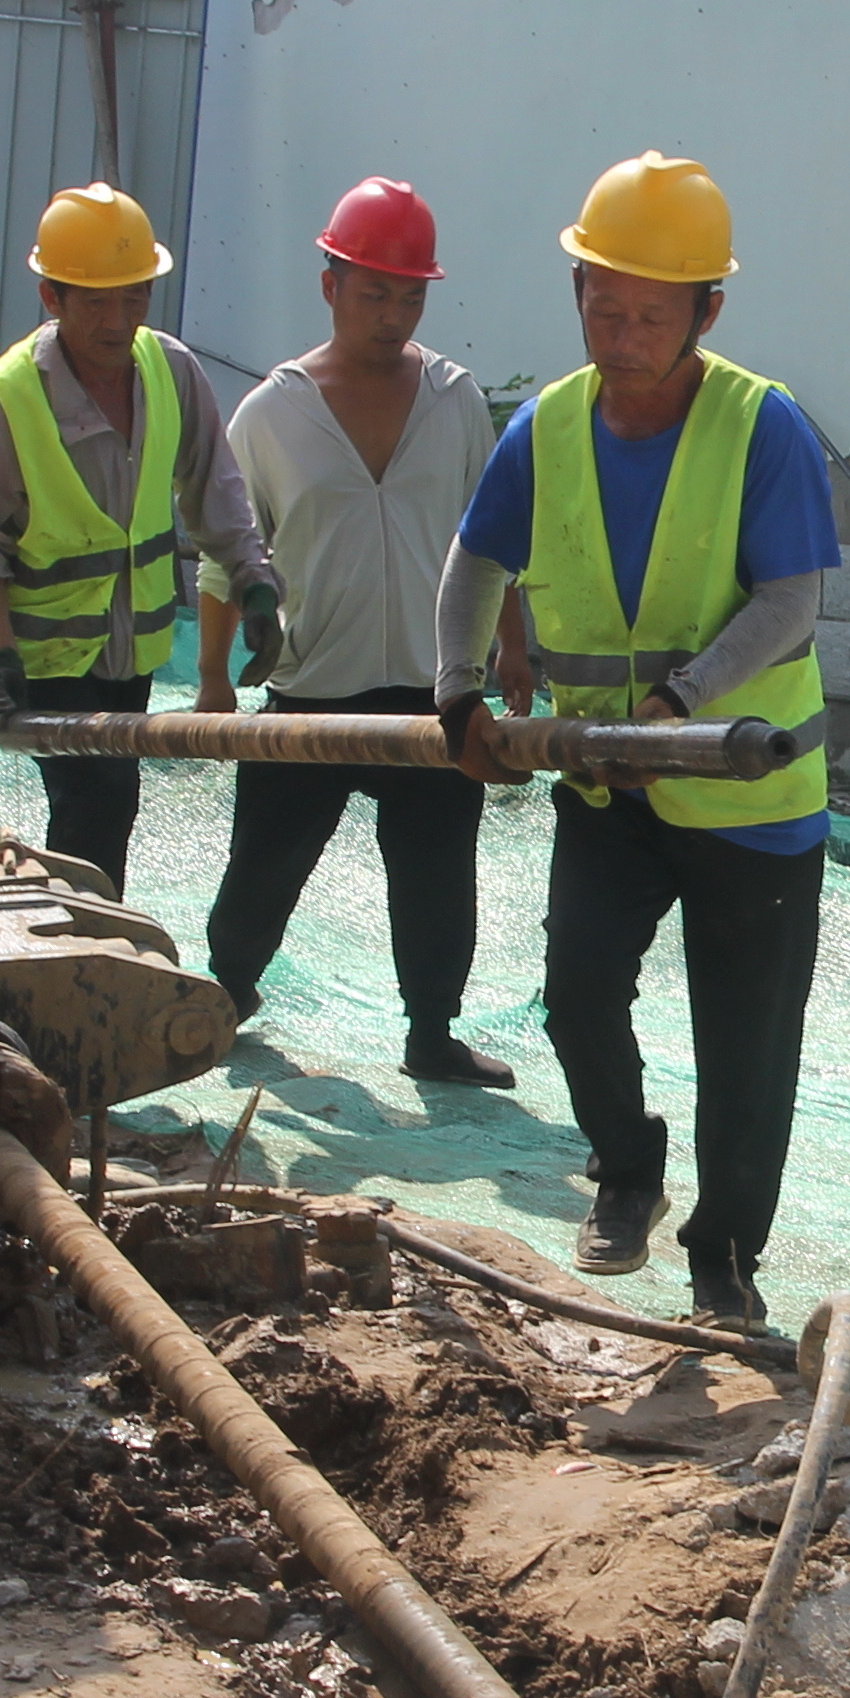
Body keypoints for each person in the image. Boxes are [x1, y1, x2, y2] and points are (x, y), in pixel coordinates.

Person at [436, 153, 842, 1330]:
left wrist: (685, 700)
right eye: (601, 307)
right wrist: (459, 692)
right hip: (607, 788)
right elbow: (474, 565)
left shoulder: (763, 428)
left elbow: (790, 605)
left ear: (708, 311)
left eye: (649, 316)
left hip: (749, 799)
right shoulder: (547, 427)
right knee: (574, 996)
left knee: (747, 1048)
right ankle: (626, 1169)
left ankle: (726, 1258)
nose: (619, 335)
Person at [199, 179, 517, 1088]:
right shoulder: (270, 414)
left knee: (437, 870)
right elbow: (227, 550)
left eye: (410, 294)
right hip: (311, 684)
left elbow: (493, 532)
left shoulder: (454, 401)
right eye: (374, 290)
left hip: (433, 686)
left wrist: (514, 649)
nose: (392, 313)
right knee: (265, 861)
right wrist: (217, 675)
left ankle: (432, 1030)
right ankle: (225, 994)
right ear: (330, 281)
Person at [0, 182, 279, 896]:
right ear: (52, 299)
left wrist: (254, 582)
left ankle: (87, 938)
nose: (116, 319)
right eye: (95, 300)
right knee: (94, 800)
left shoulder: (169, 371)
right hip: (47, 658)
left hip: (130, 650)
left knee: (110, 800)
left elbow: (214, 486)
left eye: (133, 298)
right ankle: (86, 948)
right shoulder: (8, 401)